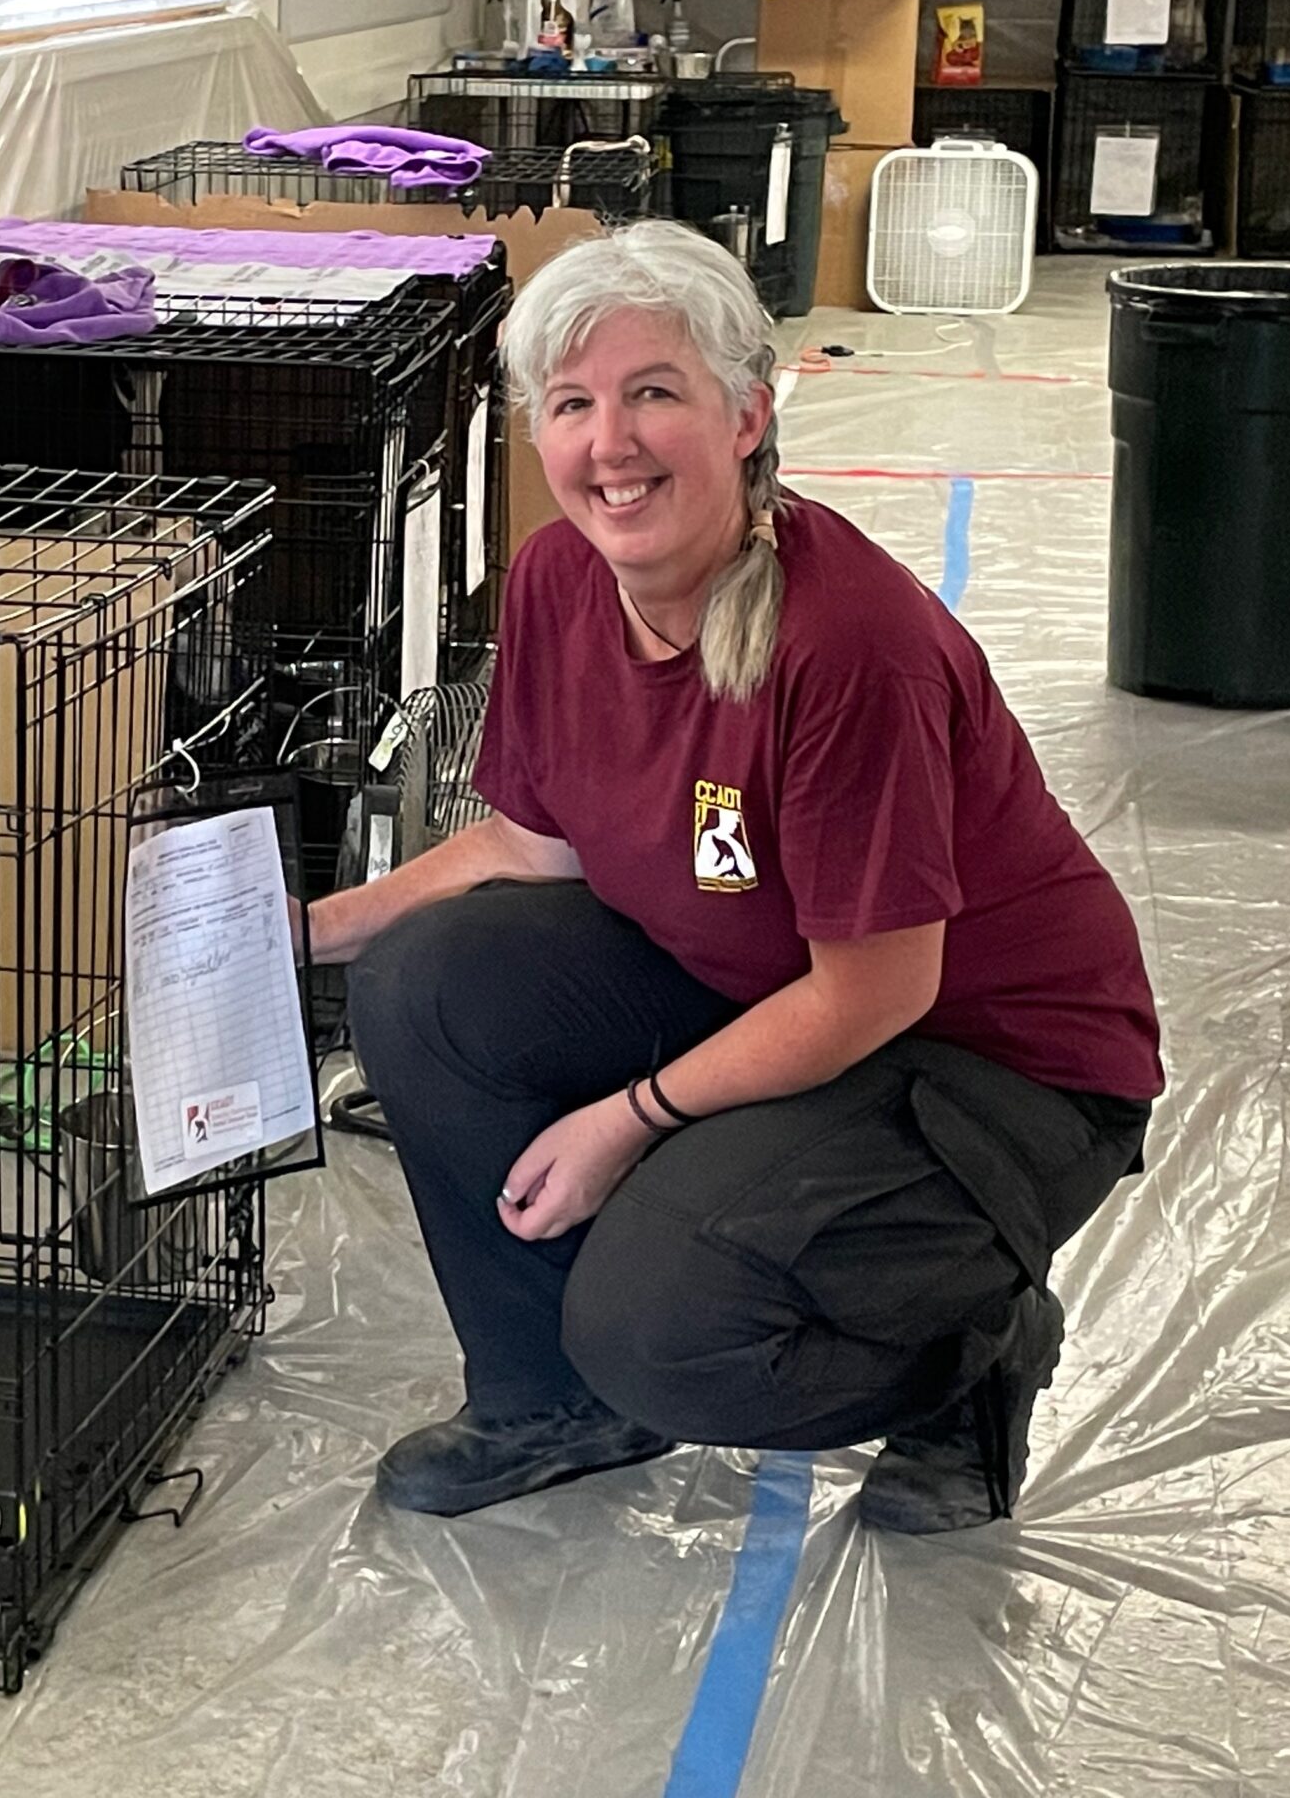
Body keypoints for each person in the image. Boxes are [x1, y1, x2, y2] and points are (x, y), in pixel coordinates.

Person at [303, 221, 1162, 1531]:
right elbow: (541, 845)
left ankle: (971, 1354)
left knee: (662, 1326)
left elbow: (873, 993)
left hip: (987, 1059)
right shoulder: (559, 581)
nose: (611, 444)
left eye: (655, 393)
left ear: (749, 413)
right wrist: (306, 930)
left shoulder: (847, 643)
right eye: (573, 404)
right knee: (423, 982)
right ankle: (548, 1405)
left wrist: (627, 1120)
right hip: (766, 985)